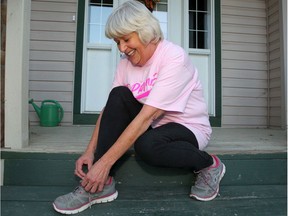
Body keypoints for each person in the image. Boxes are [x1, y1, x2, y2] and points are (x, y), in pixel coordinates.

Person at [53, 0, 226, 214]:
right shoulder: (125, 63)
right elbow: (110, 109)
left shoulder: (173, 57)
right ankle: (101, 185)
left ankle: (209, 165)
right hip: (154, 123)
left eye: (126, 39)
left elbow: (146, 117)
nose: (122, 48)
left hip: (187, 126)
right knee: (118, 95)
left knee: (147, 146)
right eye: (117, 42)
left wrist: (104, 163)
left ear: (145, 31)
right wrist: (90, 152)